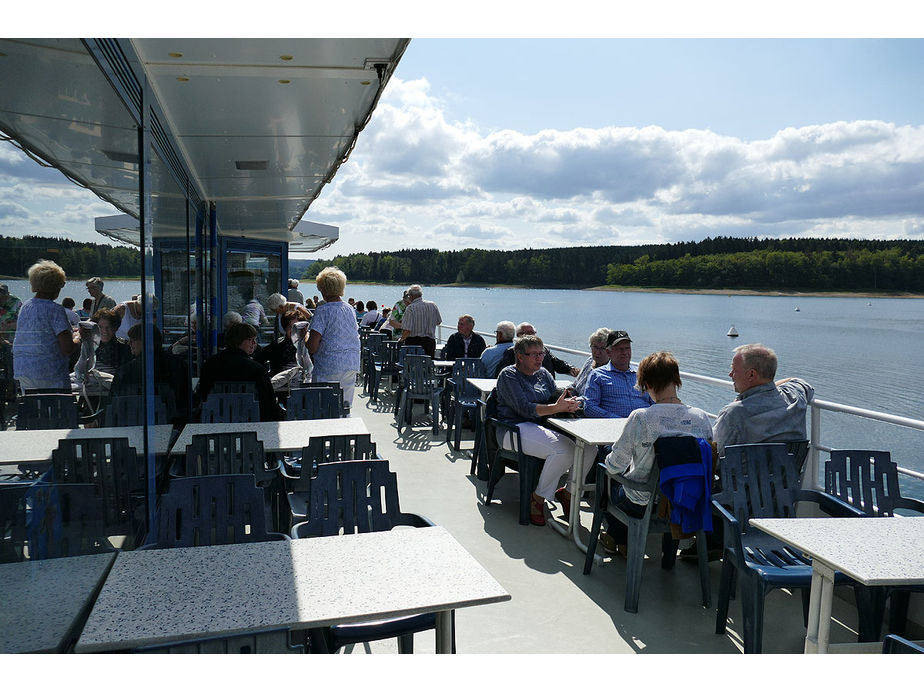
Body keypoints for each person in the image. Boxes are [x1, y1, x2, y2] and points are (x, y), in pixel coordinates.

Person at [599, 351, 714, 555]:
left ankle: (617, 537)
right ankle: (652, 549)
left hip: (643, 502)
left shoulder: (642, 417)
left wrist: (607, 461)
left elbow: (616, 464)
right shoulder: (701, 417)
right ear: (676, 380)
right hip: (683, 500)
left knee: (606, 466)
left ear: (647, 383)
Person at [495, 334, 599, 526]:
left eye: (541, 353)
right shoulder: (509, 375)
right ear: (520, 356)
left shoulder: (543, 374)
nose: (539, 358)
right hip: (513, 429)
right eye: (533, 354)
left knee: (590, 449)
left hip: (542, 426)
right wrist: (556, 408)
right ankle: (538, 497)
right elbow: (524, 409)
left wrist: (568, 403)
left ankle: (568, 493)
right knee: (563, 451)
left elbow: (553, 399)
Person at [713, 343, 814, 457]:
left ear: (751, 374)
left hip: (746, 474)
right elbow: (798, 382)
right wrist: (770, 388)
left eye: (734, 370)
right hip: (788, 474)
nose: (730, 374)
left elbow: (714, 455)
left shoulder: (733, 413)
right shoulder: (795, 396)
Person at [13, 260, 81, 391]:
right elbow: (67, 348)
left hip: (24, 372)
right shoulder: (55, 310)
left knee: (33, 409)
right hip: (50, 374)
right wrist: (79, 337)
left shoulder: (25, 307)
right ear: (55, 286)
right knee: (57, 410)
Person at [199, 322, 279, 421]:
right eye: (250, 340)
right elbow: (268, 402)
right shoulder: (256, 369)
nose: (254, 344)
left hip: (215, 419)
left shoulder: (209, 365)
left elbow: (204, 393)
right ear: (237, 341)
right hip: (251, 420)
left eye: (255, 340)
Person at [110, 324, 190, 425]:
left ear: (146, 341)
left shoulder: (127, 370)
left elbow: (114, 402)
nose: (130, 344)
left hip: (134, 424)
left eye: (133, 340)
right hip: (175, 425)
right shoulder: (179, 365)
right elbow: (186, 400)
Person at [308, 266, 361, 412]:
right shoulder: (349, 309)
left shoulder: (323, 310)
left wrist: (304, 336)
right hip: (350, 363)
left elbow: (312, 347)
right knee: (344, 408)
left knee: (324, 409)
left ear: (323, 289)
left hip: (329, 366)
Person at [583, 330, 654, 418]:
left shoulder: (642, 374)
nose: (624, 352)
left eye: (627, 348)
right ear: (609, 352)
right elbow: (589, 407)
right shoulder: (597, 376)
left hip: (645, 425)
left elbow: (655, 402)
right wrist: (616, 419)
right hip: (615, 426)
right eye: (619, 349)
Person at [494, 323, 579, 378]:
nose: (530, 335)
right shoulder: (512, 352)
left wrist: (570, 368)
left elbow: (557, 363)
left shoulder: (544, 350)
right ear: (518, 335)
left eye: (532, 332)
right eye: (526, 333)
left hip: (546, 387)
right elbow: (501, 373)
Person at [253, 309, 299, 377]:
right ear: (285, 328)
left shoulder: (308, 345)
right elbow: (258, 360)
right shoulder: (276, 345)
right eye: (290, 327)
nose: (293, 331)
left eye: (297, 327)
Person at [399, 285, 442, 358]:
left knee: (413, 366)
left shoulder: (411, 308)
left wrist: (401, 340)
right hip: (430, 342)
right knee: (427, 365)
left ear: (411, 296)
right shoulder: (432, 305)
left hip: (414, 343)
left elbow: (407, 330)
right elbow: (438, 322)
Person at [572, 328, 612, 397]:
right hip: (573, 398)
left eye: (602, 348)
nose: (597, 352)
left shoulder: (609, 371)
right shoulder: (590, 360)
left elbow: (594, 399)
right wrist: (569, 390)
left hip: (583, 405)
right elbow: (575, 384)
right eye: (595, 347)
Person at [91, 308, 133, 375]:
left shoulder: (125, 348)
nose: (105, 331)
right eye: (100, 327)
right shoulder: (87, 346)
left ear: (115, 328)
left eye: (109, 327)